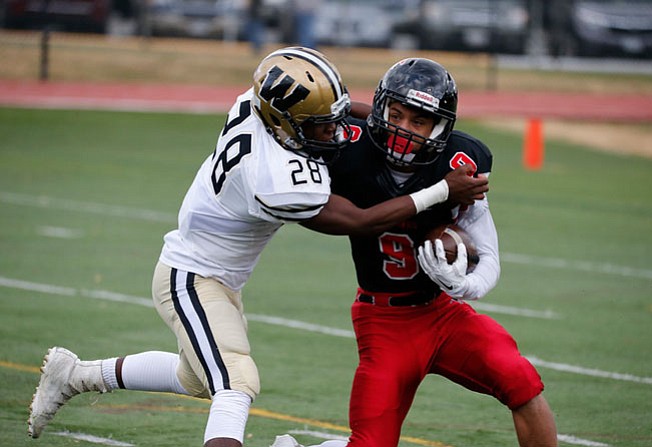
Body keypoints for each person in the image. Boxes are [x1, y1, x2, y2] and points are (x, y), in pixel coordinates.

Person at [27, 48, 488, 447]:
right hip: (190, 277)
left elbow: (333, 111)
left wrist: (387, 118)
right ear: (287, 125)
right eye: (320, 126)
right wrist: (441, 191)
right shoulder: (276, 177)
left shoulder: (254, 103)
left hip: (219, 276)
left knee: (195, 377)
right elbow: (362, 221)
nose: (332, 133)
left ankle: (76, 374)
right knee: (235, 383)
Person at [275, 58, 558, 447]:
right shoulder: (348, 149)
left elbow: (489, 254)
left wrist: (464, 284)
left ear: (439, 128)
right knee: (371, 441)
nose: (402, 129)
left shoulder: (462, 163)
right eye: (395, 114)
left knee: (522, 381)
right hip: (383, 320)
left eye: (418, 122)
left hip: (441, 314)